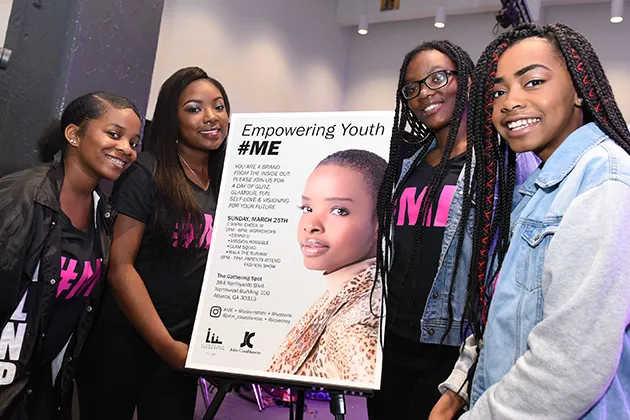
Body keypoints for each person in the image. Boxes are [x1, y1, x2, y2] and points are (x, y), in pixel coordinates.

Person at [432, 23, 630, 420]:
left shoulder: (605, 183)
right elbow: (505, 306)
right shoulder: (539, 187)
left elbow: (571, 364)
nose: (510, 103)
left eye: (533, 81)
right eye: (499, 92)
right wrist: (460, 383)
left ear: (579, 89)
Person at [76, 67, 230, 420]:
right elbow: (120, 267)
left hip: (182, 342)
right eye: (194, 108)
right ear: (171, 118)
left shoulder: (226, 179)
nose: (211, 117)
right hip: (124, 340)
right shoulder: (146, 171)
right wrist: (166, 346)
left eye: (219, 106)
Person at [0, 92, 141, 420]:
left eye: (134, 142)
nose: (126, 149)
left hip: (42, 381)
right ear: (74, 134)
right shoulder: (21, 198)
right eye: (115, 134)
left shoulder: (101, 212)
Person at [366, 40, 475, 419]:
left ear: (468, 81)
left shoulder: (493, 169)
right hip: (391, 339)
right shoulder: (406, 164)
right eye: (412, 88)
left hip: (449, 348)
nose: (425, 93)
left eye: (438, 77)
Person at [267, 149, 387, 383]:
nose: (311, 225)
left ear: (381, 221)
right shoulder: (347, 291)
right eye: (307, 209)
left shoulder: (351, 331)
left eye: (338, 211)